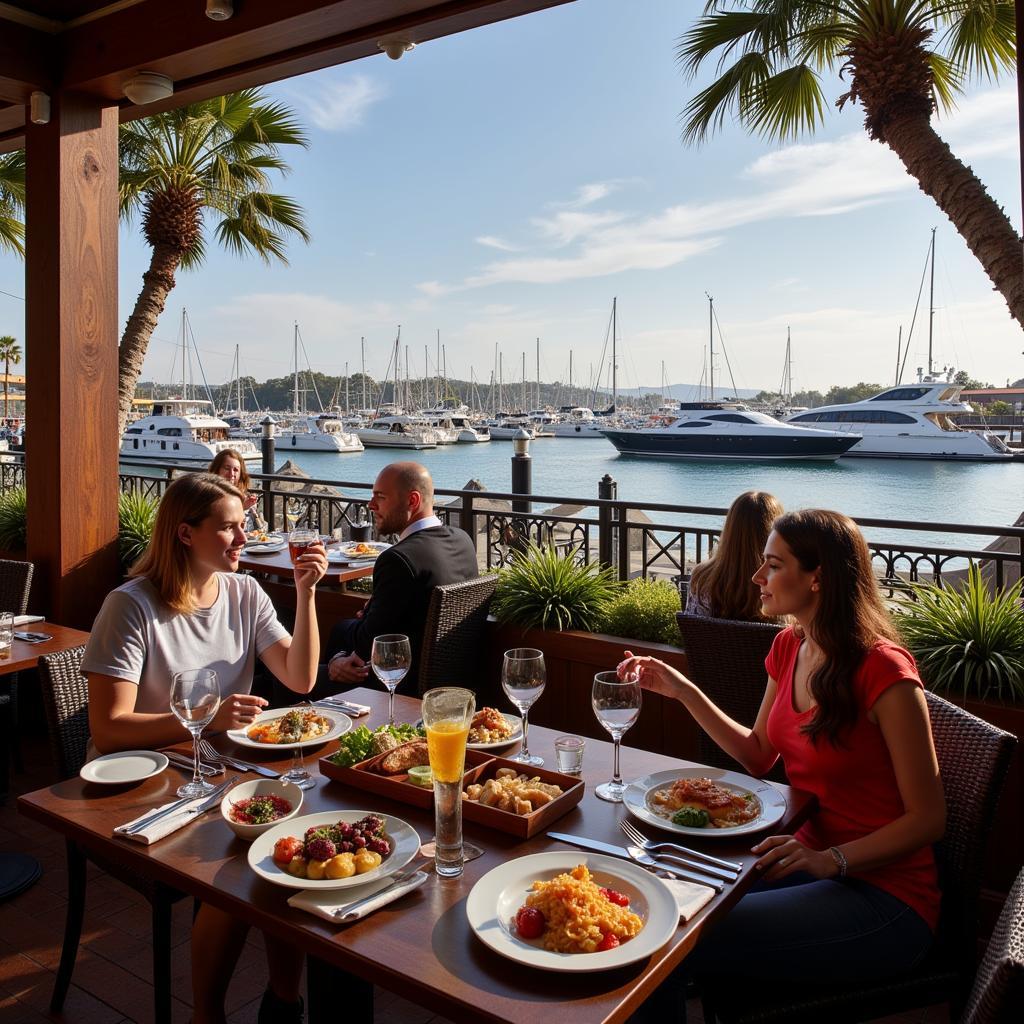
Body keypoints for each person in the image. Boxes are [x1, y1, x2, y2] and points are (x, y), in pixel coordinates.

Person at [621, 509, 944, 1006]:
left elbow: (928, 819)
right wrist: (681, 690)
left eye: (773, 565)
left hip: (885, 898)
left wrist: (829, 859)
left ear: (818, 577)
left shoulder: (884, 671)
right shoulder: (790, 645)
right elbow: (756, 756)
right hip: (800, 860)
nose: (757, 578)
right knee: (654, 897)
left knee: (666, 939)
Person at [83, 472, 327, 1024]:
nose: (244, 539)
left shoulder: (244, 593)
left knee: (288, 844)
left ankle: (284, 1005)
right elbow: (109, 727)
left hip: (216, 775)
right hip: (142, 784)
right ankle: (208, 1015)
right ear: (186, 533)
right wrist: (202, 718)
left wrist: (307, 592)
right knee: (244, 869)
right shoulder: (131, 606)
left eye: (245, 526)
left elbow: (301, 678)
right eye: (230, 529)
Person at [318, 461, 478, 696]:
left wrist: (338, 660)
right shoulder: (463, 540)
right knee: (341, 629)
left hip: (397, 685)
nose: (371, 505)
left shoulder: (398, 559)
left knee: (289, 680)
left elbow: (367, 642)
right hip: (452, 676)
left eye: (380, 497)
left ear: (412, 501)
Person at [684, 490, 783, 620]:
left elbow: (693, 629)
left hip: (715, 640)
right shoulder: (783, 581)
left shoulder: (702, 578)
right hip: (771, 641)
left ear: (730, 528)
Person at [209, 448, 266, 532]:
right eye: (227, 468)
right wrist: (241, 508)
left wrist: (248, 507)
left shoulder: (241, 495)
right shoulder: (209, 493)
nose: (231, 474)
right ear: (217, 469)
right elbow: (217, 523)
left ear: (240, 474)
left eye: (235, 470)